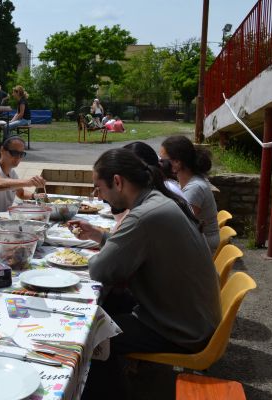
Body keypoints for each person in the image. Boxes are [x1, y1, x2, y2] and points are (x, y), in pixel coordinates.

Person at [69, 149, 220, 399]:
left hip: (182, 329)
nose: (99, 196)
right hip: (192, 316)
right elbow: (134, 249)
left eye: (99, 188)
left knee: (90, 335)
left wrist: (98, 251)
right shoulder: (158, 200)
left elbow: (99, 269)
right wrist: (101, 236)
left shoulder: (144, 215)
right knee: (110, 303)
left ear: (118, 181)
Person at [160, 135, 220, 254]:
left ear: (177, 162)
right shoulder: (188, 182)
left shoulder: (195, 188)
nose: (160, 165)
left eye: (162, 160)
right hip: (199, 240)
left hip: (204, 246)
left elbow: (181, 225)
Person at [0, 135, 45, 214]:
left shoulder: (12, 173)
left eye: (21, 154)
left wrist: (35, 196)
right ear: (2, 150)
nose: (18, 157)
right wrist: (29, 182)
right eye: (14, 153)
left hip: (1, 218)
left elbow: (21, 193)